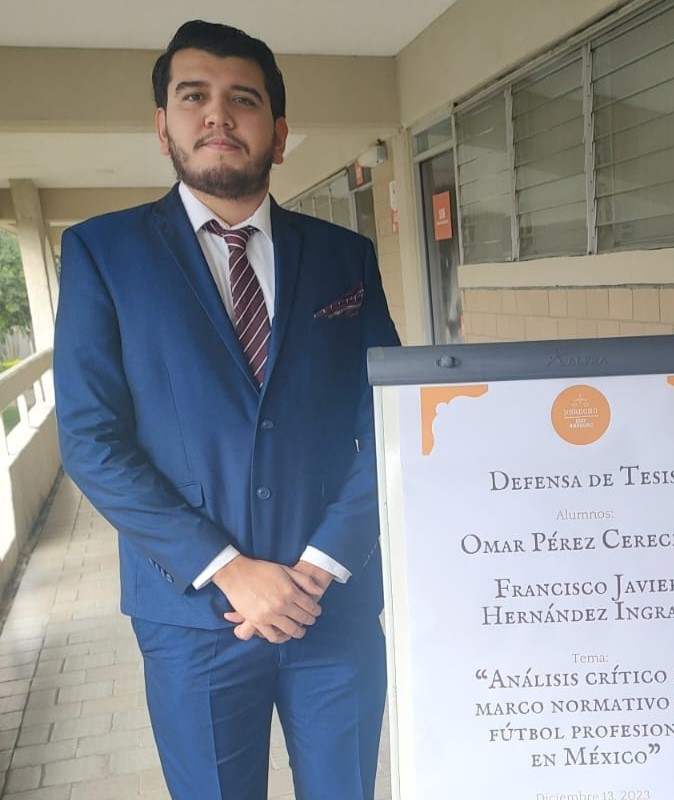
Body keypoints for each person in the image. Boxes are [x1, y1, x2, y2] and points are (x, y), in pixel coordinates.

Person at [54, 20, 399, 800]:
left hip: (331, 608)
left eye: (242, 99)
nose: (218, 115)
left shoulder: (345, 257)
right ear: (164, 126)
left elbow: (391, 419)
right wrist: (231, 570)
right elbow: (91, 440)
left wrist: (319, 565)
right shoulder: (103, 255)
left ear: (278, 134)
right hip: (192, 617)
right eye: (194, 97)